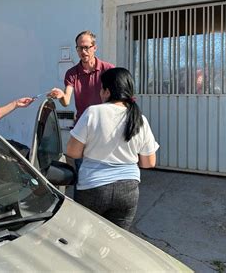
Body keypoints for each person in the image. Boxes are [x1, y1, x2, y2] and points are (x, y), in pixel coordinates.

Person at [65, 67, 158, 230]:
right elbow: (149, 162)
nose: (100, 93)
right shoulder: (139, 118)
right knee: (117, 241)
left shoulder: (93, 112)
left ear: (107, 91)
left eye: (101, 88)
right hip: (128, 191)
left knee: (86, 239)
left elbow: (72, 152)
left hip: (93, 187)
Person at [48, 30, 114, 122]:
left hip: (104, 122)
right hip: (82, 124)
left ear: (94, 48)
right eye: (80, 48)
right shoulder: (72, 73)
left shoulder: (109, 69)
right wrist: (61, 95)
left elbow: (118, 99)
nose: (83, 52)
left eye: (86, 47)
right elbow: (66, 101)